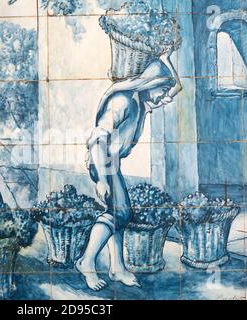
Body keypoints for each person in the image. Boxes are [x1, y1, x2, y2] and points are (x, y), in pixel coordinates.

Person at [76, 51, 182, 291]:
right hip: (102, 162)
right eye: (162, 91)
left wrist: (166, 60)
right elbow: (97, 140)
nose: (165, 98)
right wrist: (102, 180)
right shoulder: (122, 102)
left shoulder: (142, 102)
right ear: (149, 84)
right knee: (120, 213)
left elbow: (177, 88)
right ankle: (87, 261)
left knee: (119, 215)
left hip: (112, 163)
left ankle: (117, 268)